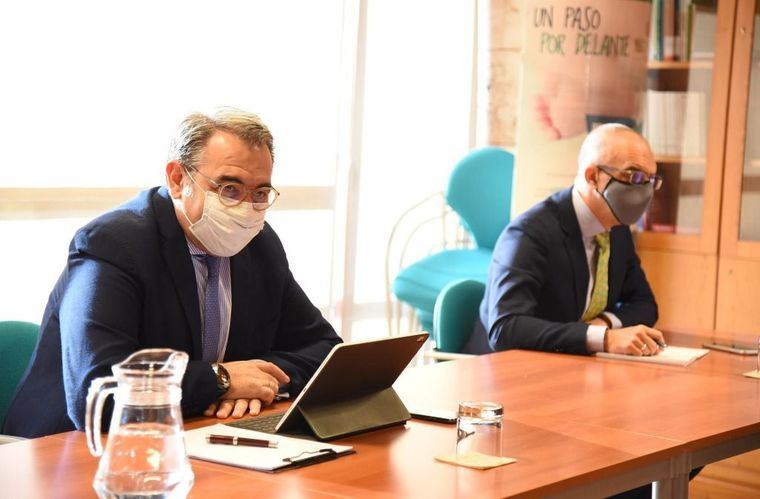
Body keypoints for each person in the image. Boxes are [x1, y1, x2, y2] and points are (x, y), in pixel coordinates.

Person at [3, 108, 341, 438]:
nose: (245, 208)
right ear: (178, 179)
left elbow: (325, 348)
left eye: (260, 193)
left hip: (192, 433)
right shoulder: (114, 244)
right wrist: (219, 380)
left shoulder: (259, 245)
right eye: (229, 189)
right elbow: (99, 389)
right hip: (70, 449)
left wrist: (257, 381)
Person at [467, 123, 665, 356]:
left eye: (650, 180)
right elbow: (505, 328)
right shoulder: (529, 233)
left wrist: (603, 324)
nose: (644, 190)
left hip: (569, 366)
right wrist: (603, 339)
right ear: (593, 176)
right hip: (505, 373)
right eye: (634, 176)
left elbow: (645, 305)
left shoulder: (617, 230)